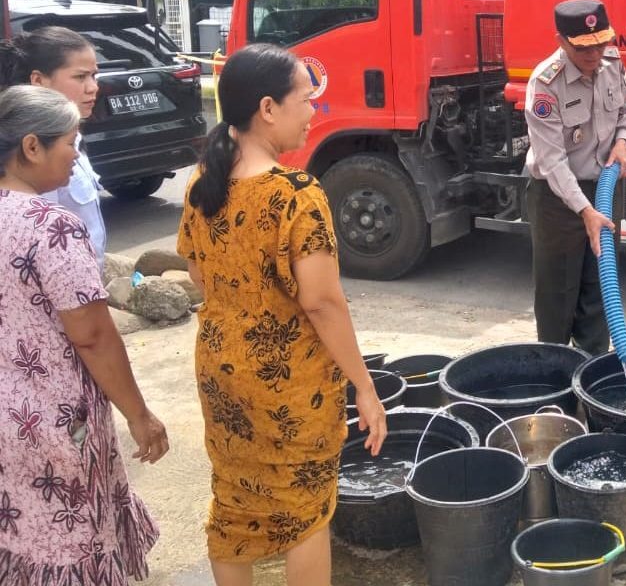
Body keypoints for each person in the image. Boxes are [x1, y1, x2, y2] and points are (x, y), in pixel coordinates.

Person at [177, 43, 387, 585]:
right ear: (268, 109)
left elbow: (199, 272)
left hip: (221, 367)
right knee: (305, 513)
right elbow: (321, 302)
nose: (313, 111)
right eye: (305, 99)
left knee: (235, 504)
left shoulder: (204, 185)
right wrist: (363, 385)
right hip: (290, 381)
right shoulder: (296, 195)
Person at [0, 84, 167, 584]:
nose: (77, 157)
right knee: (73, 546)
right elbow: (93, 336)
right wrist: (140, 415)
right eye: (72, 143)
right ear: (32, 147)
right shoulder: (52, 228)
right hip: (55, 420)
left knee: (22, 540)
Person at [524, 0, 626, 356]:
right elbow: (553, 161)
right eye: (584, 47)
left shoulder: (612, 64)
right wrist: (585, 211)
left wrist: (623, 141)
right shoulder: (545, 84)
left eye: (601, 43)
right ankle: (555, 373)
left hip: (604, 189)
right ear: (561, 42)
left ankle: (590, 370)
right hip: (558, 199)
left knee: (600, 287)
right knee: (558, 293)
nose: (595, 54)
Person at [0, 27, 106, 274]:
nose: (92, 88)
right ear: (38, 81)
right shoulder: (37, 154)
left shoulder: (73, 140)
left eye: (94, 76)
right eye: (80, 77)